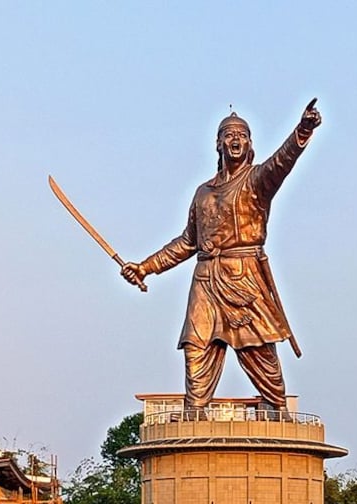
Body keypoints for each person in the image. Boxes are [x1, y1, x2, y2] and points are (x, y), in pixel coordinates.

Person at [121, 100, 322, 411]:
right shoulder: (203, 192)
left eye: (242, 134)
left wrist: (303, 130)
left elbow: (281, 163)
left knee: (259, 350)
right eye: (229, 135)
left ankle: (277, 409)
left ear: (250, 143)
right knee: (195, 346)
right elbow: (188, 242)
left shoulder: (256, 181)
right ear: (218, 143)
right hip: (205, 277)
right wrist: (146, 267)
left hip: (243, 275)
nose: (235, 140)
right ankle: (195, 414)